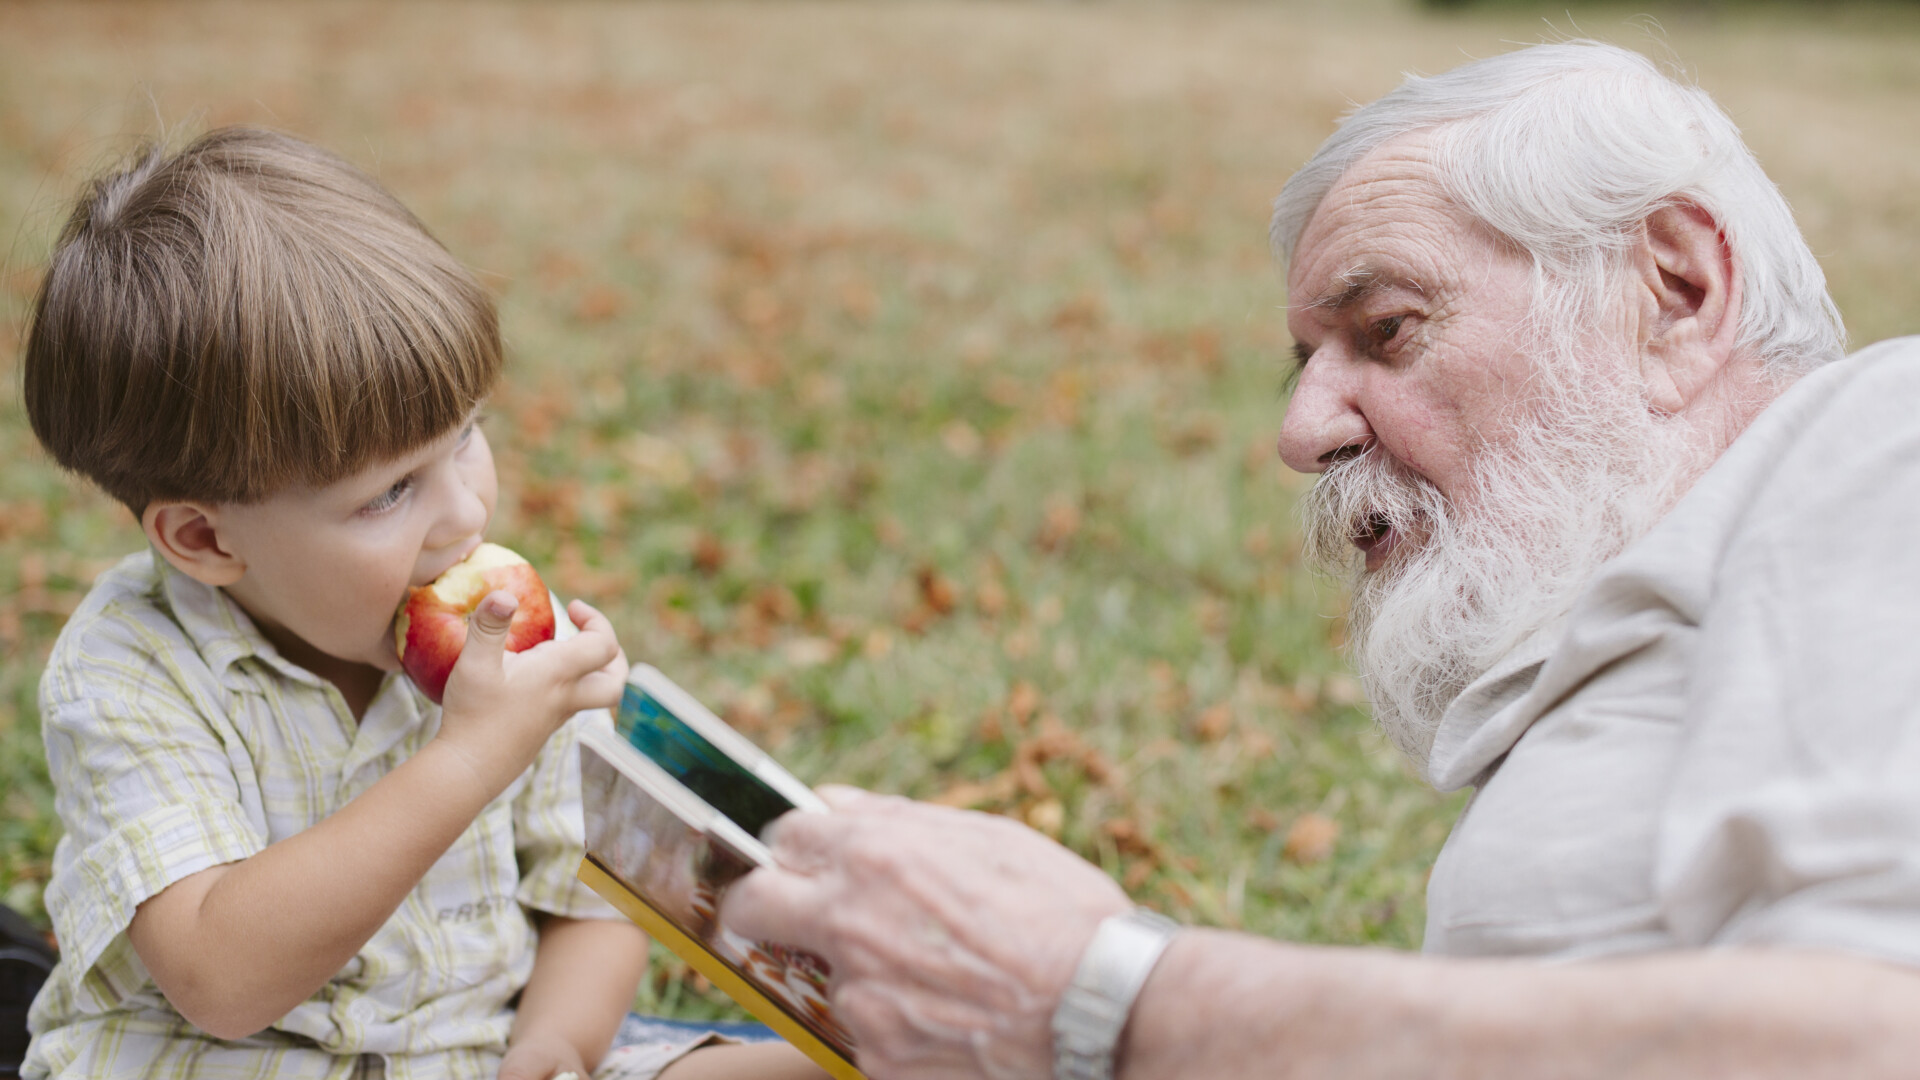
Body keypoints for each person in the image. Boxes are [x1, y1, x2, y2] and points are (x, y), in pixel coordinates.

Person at [718, 40, 1920, 1078]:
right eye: (1305, 364)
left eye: (1386, 328)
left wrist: (1102, 997)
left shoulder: (1877, 440)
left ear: (1675, 288)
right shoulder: (1625, 671)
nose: (1302, 434)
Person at [19, 128, 824, 1080]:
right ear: (206, 539)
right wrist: (474, 755)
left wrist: (554, 1048)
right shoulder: (132, 670)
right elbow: (218, 979)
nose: (467, 511)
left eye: (467, 436)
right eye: (390, 492)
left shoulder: (500, 648)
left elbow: (589, 897)